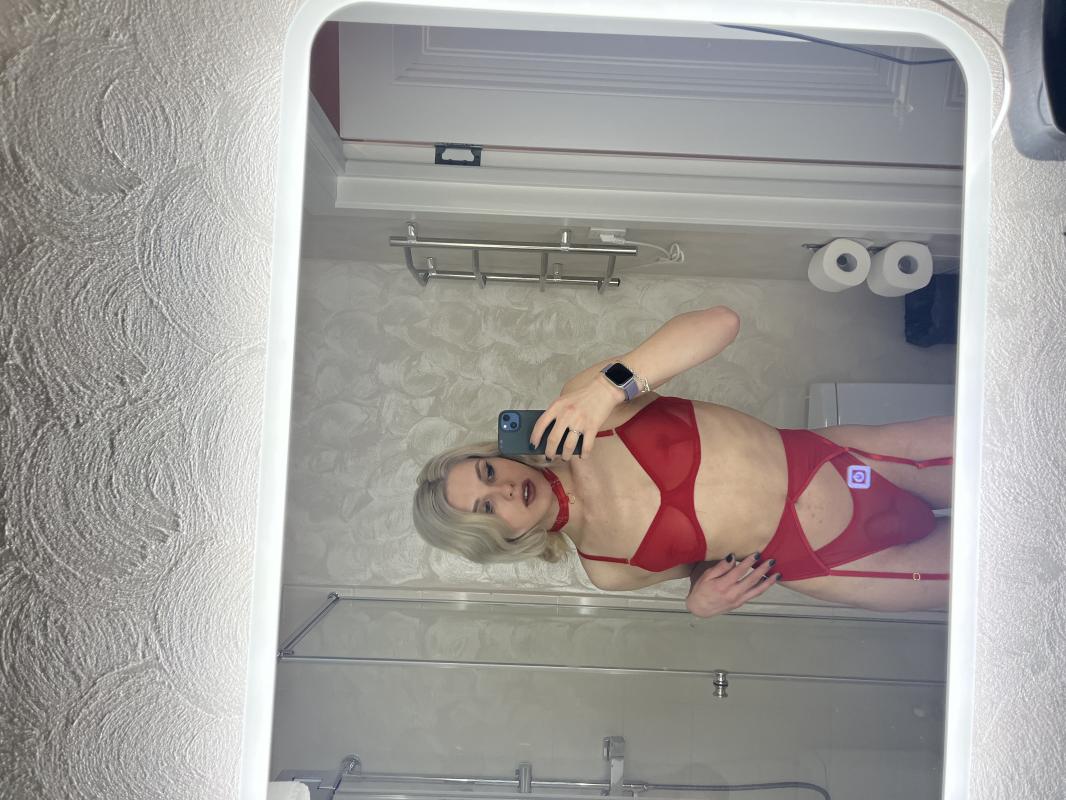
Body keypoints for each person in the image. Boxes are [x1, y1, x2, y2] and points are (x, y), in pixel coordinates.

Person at [413, 306, 954, 617]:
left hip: (854, 462)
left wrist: (606, 390)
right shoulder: (607, 570)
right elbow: (705, 562)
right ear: (502, 539)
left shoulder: (589, 404)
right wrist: (701, 599)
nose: (505, 490)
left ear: (497, 456)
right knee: (999, 582)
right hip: (834, 564)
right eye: (487, 509)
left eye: (488, 473)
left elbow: (722, 322)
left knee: (1004, 470)